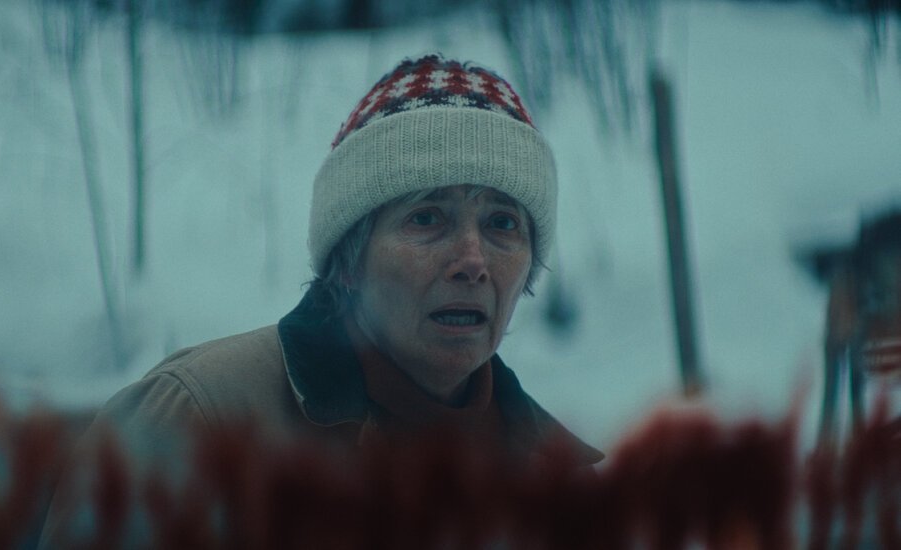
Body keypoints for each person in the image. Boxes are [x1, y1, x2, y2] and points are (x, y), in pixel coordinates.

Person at [40, 54, 601, 546]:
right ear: (349, 260)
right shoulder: (194, 425)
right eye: (427, 218)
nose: (472, 261)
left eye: (502, 223)